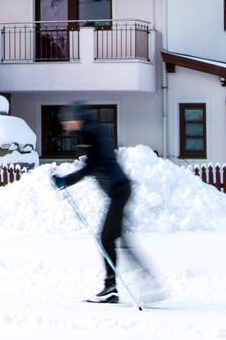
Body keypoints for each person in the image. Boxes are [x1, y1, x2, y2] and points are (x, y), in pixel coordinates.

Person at [51, 102, 153, 304]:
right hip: (120, 189)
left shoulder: (89, 133)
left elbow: (92, 166)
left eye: (67, 120)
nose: (65, 125)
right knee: (115, 239)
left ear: (75, 118)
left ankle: (114, 286)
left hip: (117, 190)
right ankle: (139, 281)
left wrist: (66, 181)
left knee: (106, 238)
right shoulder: (93, 130)